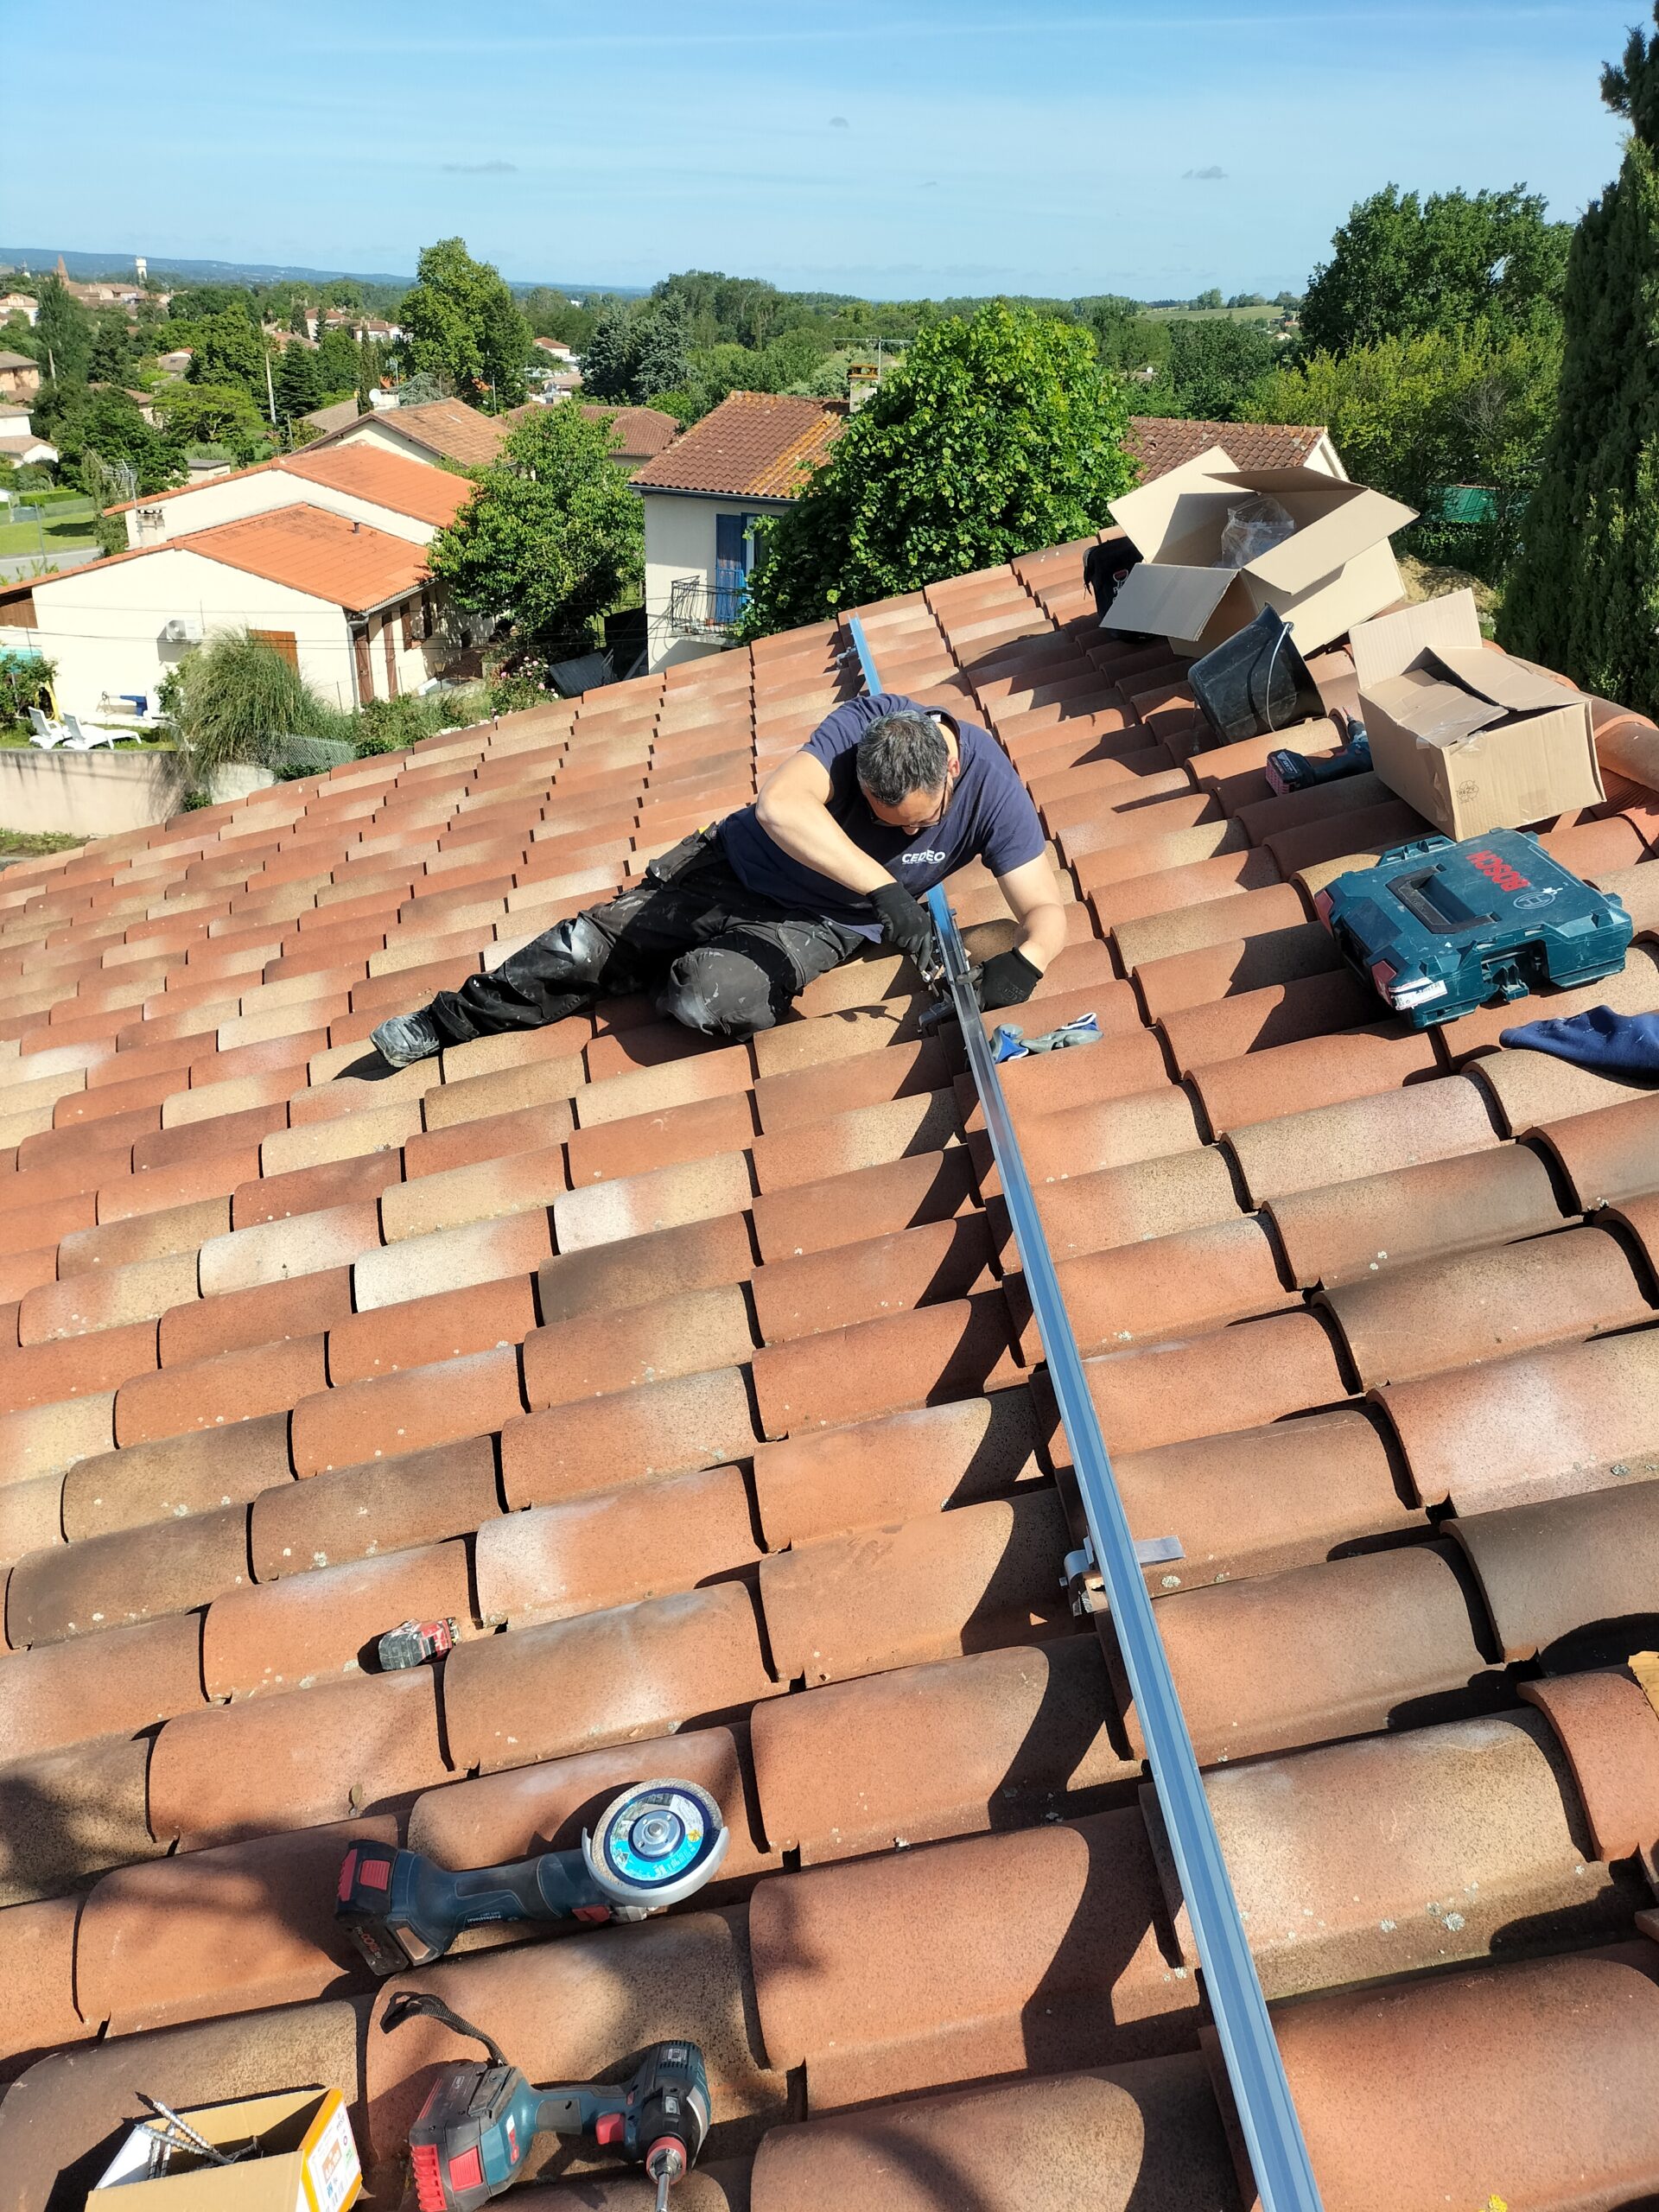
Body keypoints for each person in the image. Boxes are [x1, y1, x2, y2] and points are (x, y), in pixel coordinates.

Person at [370, 691, 1068, 1067]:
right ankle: (440, 1024)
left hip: (817, 925)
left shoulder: (990, 789)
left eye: (920, 824)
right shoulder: (863, 724)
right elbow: (779, 805)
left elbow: (1043, 907)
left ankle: (678, 964)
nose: (909, 834)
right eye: (890, 819)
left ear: (950, 772)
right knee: (581, 948)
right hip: (731, 870)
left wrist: (1027, 963)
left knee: (707, 1001)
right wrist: (884, 888)